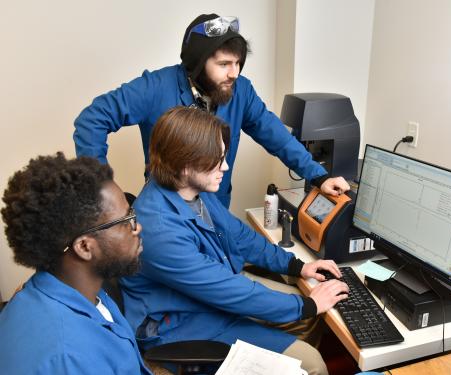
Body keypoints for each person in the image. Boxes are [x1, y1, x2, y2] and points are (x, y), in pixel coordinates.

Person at [121, 107, 350, 375]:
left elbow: (238, 235)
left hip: (205, 296)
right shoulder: (159, 229)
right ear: (184, 164)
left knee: (309, 314)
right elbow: (228, 290)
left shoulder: (190, 188)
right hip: (180, 324)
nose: (225, 167)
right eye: (216, 161)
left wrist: (296, 266)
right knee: (311, 364)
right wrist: (308, 305)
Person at [74, 13, 350, 208]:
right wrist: (102, 187)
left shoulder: (241, 89)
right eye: (224, 64)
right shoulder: (154, 87)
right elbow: (92, 119)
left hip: (216, 206)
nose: (234, 73)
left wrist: (318, 176)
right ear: (197, 62)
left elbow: (276, 135)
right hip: (166, 209)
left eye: (238, 63)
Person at [0, 153, 151, 375]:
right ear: (84, 247)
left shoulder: (82, 293)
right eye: (125, 221)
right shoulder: (70, 356)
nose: (137, 228)